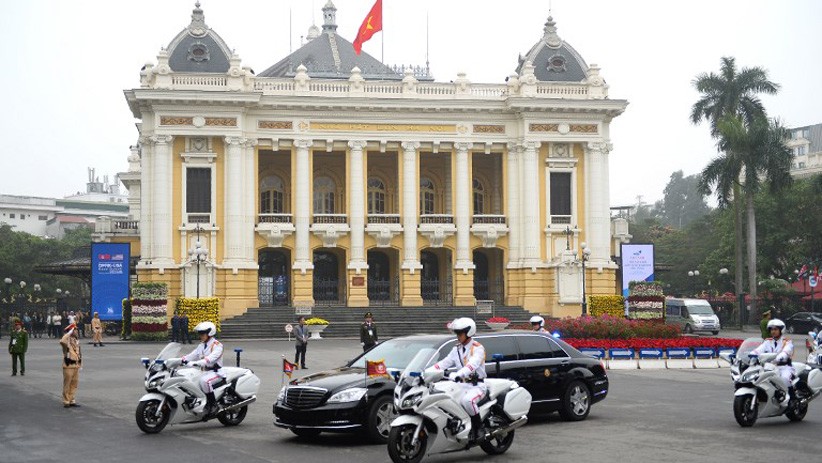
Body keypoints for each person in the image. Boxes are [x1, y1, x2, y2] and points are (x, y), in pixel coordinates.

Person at [431, 317, 487, 442]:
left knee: (468, 401)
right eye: (457, 333)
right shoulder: (456, 349)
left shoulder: (477, 348)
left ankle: (479, 427)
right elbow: (443, 363)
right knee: (444, 399)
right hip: (461, 386)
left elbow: (472, 365)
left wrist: (458, 374)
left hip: (476, 386)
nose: (458, 336)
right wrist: (426, 372)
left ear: (469, 332)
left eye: (460, 333)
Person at [181, 321, 223, 415]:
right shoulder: (201, 345)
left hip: (215, 372)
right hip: (203, 371)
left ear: (209, 333)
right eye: (199, 333)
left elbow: (209, 359)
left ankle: (213, 404)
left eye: (202, 333)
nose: (200, 335)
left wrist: (196, 363)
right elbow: (191, 355)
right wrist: (178, 360)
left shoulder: (217, 345)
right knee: (186, 377)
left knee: (205, 381)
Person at [752, 318, 795, 402]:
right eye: (771, 329)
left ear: (781, 330)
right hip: (769, 367)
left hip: (784, 367)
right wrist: (751, 355)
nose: (773, 331)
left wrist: (779, 357)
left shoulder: (787, 342)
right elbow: (758, 350)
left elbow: (786, 352)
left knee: (785, 379)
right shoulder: (767, 342)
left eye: (775, 329)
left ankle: (792, 400)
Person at [60, 323, 82, 407]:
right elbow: (62, 341)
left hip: (75, 365)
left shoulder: (76, 341)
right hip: (68, 365)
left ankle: (71, 399)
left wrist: (80, 364)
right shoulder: (66, 342)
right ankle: (66, 400)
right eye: (75, 330)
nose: (77, 331)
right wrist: (68, 333)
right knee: (67, 383)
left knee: (74, 383)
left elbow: (79, 353)